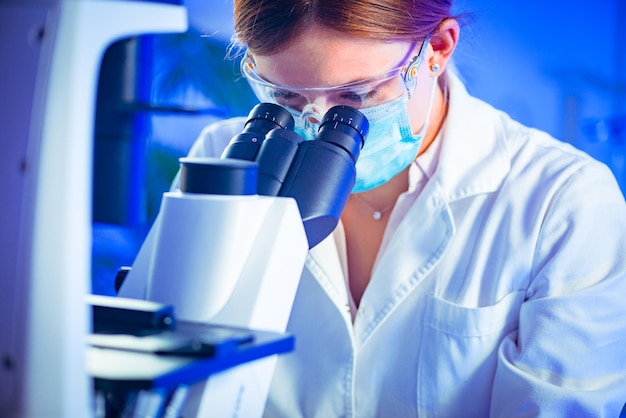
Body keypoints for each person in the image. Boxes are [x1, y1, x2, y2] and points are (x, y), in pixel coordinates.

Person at [180, 0, 626, 416]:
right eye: (286, 99)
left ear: (437, 48)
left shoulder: (563, 201)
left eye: (355, 98)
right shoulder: (222, 158)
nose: (316, 128)